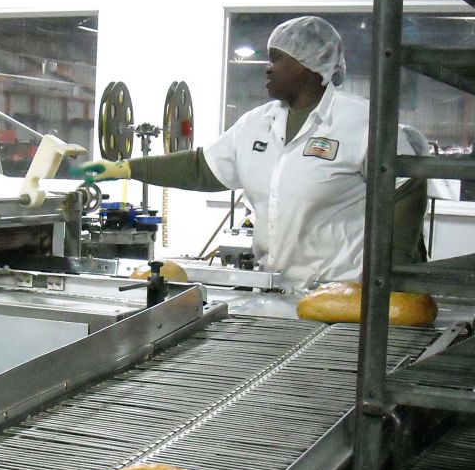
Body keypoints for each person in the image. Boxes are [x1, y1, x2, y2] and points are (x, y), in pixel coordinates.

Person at [73, 16, 427, 292]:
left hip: (342, 296)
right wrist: (125, 168)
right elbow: (201, 167)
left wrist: (388, 277)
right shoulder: (257, 124)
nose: (267, 67)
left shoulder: (361, 122)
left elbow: (408, 185)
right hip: (275, 289)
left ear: (310, 64)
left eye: (277, 59)